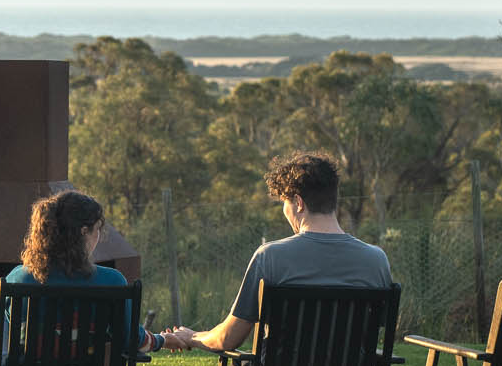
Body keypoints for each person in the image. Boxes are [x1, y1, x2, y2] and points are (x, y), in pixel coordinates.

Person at [164, 151, 391, 353]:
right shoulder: (376, 260)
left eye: (285, 203)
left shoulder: (270, 257)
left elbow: (228, 339)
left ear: (299, 203)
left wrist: (192, 337)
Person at [0, 189, 162, 358]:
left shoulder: (21, 278)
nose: (98, 237)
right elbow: (129, 339)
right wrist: (162, 339)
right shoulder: (112, 280)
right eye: (97, 230)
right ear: (84, 232)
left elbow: (3, 333)